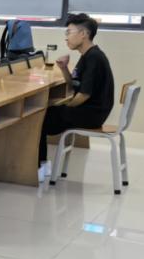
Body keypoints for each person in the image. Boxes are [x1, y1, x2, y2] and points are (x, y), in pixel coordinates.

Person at [38, 13, 114, 180]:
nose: (66, 37)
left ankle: (40, 168)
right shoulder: (87, 55)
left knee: (39, 118)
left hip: (92, 115)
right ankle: (42, 165)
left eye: (69, 32)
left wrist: (63, 106)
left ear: (83, 34)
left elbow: (84, 95)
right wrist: (64, 68)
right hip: (90, 111)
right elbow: (75, 85)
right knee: (47, 111)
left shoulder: (94, 58)